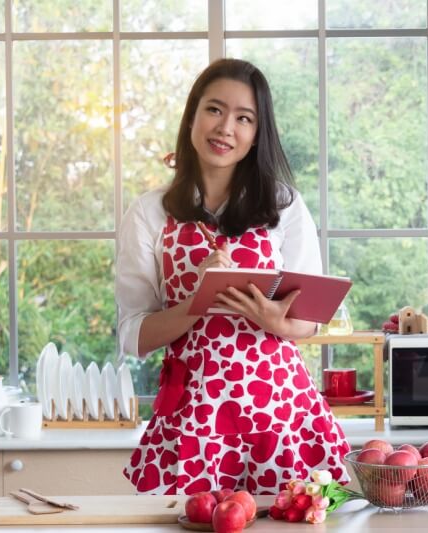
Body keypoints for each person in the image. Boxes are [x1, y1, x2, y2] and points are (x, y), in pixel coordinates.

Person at [116, 58, 351, 495]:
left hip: (280, 416)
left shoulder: (284, 205)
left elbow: (308, 321)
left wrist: (276, 322)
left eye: (244, 118)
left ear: (257, 134)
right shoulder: (149, 213)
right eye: (214, 110)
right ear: (192, 116)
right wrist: (196, 302)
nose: (226, 128)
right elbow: (134, 334)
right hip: (193, 420)